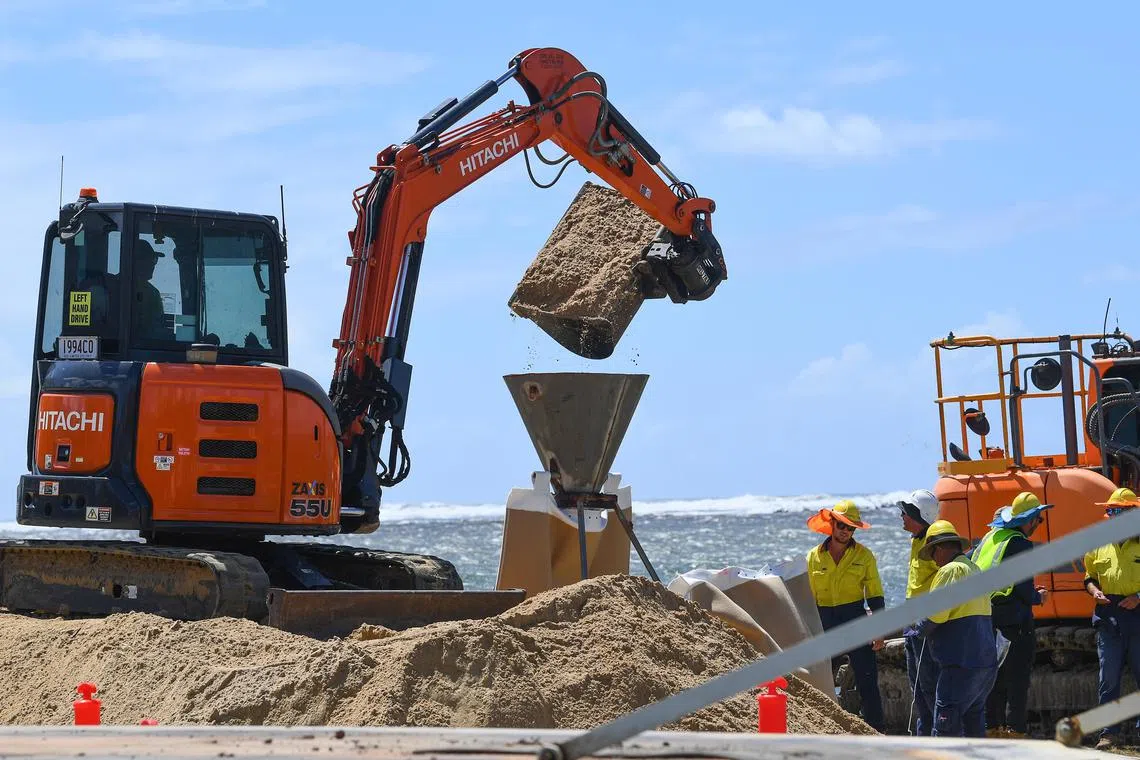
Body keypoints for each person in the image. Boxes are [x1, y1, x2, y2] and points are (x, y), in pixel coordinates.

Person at [971, 491, 1051, 736]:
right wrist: (1039, 597)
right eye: (1039, 520)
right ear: (1030, 520)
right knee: (1017, 680)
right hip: (1015, 622)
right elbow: (1024, 589)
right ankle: (1015, 733)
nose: (1038, 526)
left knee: (993, 679)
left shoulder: (990, 537)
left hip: (987, 617)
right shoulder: (1020, 543)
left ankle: (992, 729)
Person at [909, 519, 998, 738]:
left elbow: (936, 615)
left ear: (939, 549)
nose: (934, 561)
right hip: (984, 666)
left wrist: (917, 630)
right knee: (973, 727)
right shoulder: (974, 569)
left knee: (946, 729)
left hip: (960, 666)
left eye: (932, 554)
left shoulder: (950, 571)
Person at [805, 499, 886, 731]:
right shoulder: (813, 557)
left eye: (851, 528)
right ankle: (820, 727)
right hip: (823, 620)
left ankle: (877, 730)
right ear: (832, 523)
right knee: (819, 680)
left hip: (854, 618)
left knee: (867, 679)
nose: (846, 532)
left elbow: (875, 595)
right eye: (842, 526)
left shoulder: (865, 556)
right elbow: (806, 599)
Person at [1083, 487, 1140, 749]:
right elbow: (1089, 576)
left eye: (1117, 511)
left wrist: (1139, 596)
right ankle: (1108, 733)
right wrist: (1094, 591)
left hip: (1137, 613)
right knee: (1108, 678)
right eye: (1110, 511)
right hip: (1108, 617)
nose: (1112, 515)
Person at [897, 488, 941, 735]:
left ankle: (938, 736)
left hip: (925, 623)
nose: (902, 516)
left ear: (917, 514)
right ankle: (924, 738)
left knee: (929, 685)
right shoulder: (916, 540)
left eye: (905, 512)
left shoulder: (932, 542)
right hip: (911, 622)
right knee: (918, 687)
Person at [132, 238, 172, 341]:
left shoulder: (152, 292)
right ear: (137, 261)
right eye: (152, 259)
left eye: (155, 260)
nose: (154, 264)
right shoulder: (152, 293)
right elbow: (155, 329)